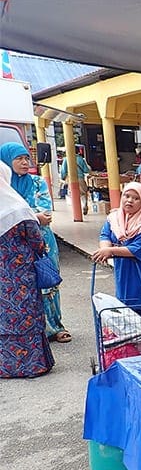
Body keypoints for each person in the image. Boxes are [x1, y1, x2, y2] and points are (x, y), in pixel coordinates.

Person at [0, 142, 71, 343]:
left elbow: (45, 213)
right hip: (14, 247)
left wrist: (21, 216)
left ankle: (56, 326)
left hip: (42, 241)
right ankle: (34, 329)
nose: (24, 162)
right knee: (22, 289)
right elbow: (35, 214)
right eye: (19, 159)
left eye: (26, 159)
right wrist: (31, 215)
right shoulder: (3, 186)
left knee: (48, 282)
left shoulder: (38, 182)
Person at [91, 181, 141, 351]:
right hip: (124, 272)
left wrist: (110, 251)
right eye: (127, 196)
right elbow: (105, 234)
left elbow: (136, 249)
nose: (129, 201)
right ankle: (134, 348)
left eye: (136, 198)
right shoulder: (115, 218)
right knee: (127, 310)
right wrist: (104, 249)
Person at [0, 160, 55, 378]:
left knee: (4, 318)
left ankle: (6, 367)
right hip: (21, 276)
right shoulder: (17, 207)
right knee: (26, 315)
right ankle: (32, 365)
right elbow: (37, 241)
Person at [59, 149, 92, 215]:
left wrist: (63, 178)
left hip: (71, 179)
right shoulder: (80, 159)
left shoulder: (66, 159)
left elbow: (63, 171)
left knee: (73, 194)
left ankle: (77, 212)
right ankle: (84, 205)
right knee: (83, 193)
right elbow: (86, 170)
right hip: (80, 178)